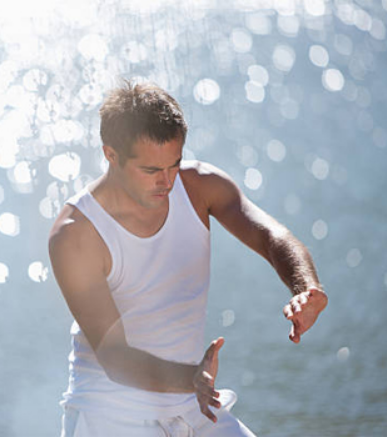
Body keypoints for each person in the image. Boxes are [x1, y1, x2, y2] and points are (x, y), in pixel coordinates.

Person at [49, 81, 328, 437]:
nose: (167, 182)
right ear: (111, 155)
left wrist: (306, 288)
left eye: (174, 164)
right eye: (151, 170)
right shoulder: (77, 234)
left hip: (195, 405)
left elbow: (271, 236)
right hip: (110, 417)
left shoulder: (199, 186)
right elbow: (115, 357)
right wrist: (192, 377)